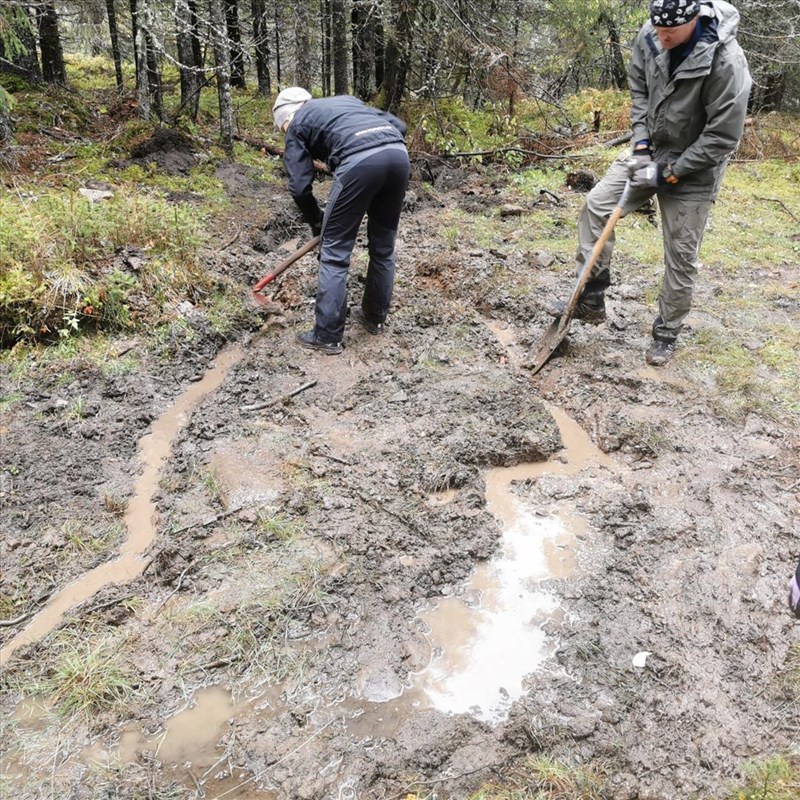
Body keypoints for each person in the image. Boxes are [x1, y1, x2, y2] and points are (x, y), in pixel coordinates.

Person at [552, 0, 751, 366]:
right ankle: (591, 295)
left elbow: (723, 136)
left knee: (680, 257)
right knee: (597, 206)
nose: (660, 37)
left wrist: (673, 171)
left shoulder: (727, 63)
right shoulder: (652, 33)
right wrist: (641, 144)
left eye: (669, 32)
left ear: (695, 20)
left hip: (695, 171)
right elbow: (640, 88)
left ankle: (666, 332)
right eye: (656, 29)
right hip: (651, 153)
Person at [272, 88, 410, 355]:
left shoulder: (297, 124)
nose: (285, 131)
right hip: (398, 156)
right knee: (383, 248)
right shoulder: (345, 102)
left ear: (286, 117)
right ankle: (374, 319)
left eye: (283, 127)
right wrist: (381, 157)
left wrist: (316, 222)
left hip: (359, 163)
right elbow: (399, 125)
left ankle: (327, 335)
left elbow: (300, 187)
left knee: (334, 252)